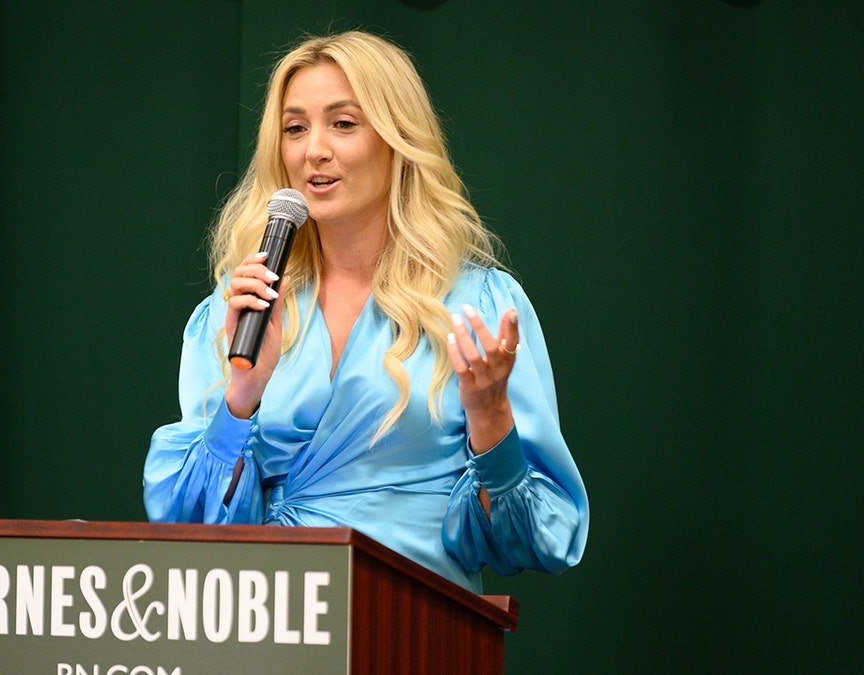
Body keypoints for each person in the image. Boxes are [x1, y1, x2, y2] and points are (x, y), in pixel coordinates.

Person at [144, 30, 587, 592]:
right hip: (268, 618)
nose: (314, 150)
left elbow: (537, 539)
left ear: (398, 139)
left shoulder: (475, 304)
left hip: (410, 622)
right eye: (295, 128)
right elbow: (187, 526)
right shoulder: (244, 307)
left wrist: (491, 420)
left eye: (343, 123)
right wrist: (241, 397)